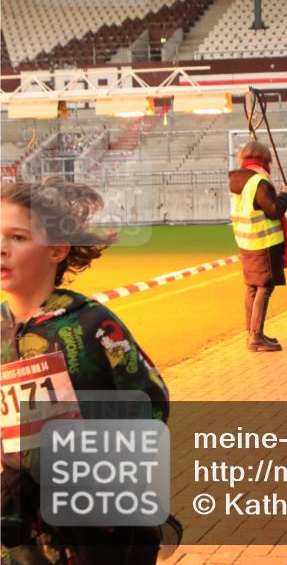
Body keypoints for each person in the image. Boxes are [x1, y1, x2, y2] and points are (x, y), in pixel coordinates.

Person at [1, 179, 170, 564]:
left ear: (57, 249)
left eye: (18, 237)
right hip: (20, 513)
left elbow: (152, 401)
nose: (2, 249)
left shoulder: (91, 323)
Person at [229, 141, 287, 353]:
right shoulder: (259, 181)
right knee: (265, 287)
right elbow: (274, 210)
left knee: (252, 288)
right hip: (264, 243)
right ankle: (256, 337)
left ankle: (253, 332)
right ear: (265, 159)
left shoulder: (239, 180)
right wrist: (285, 195)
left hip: (246, 242)